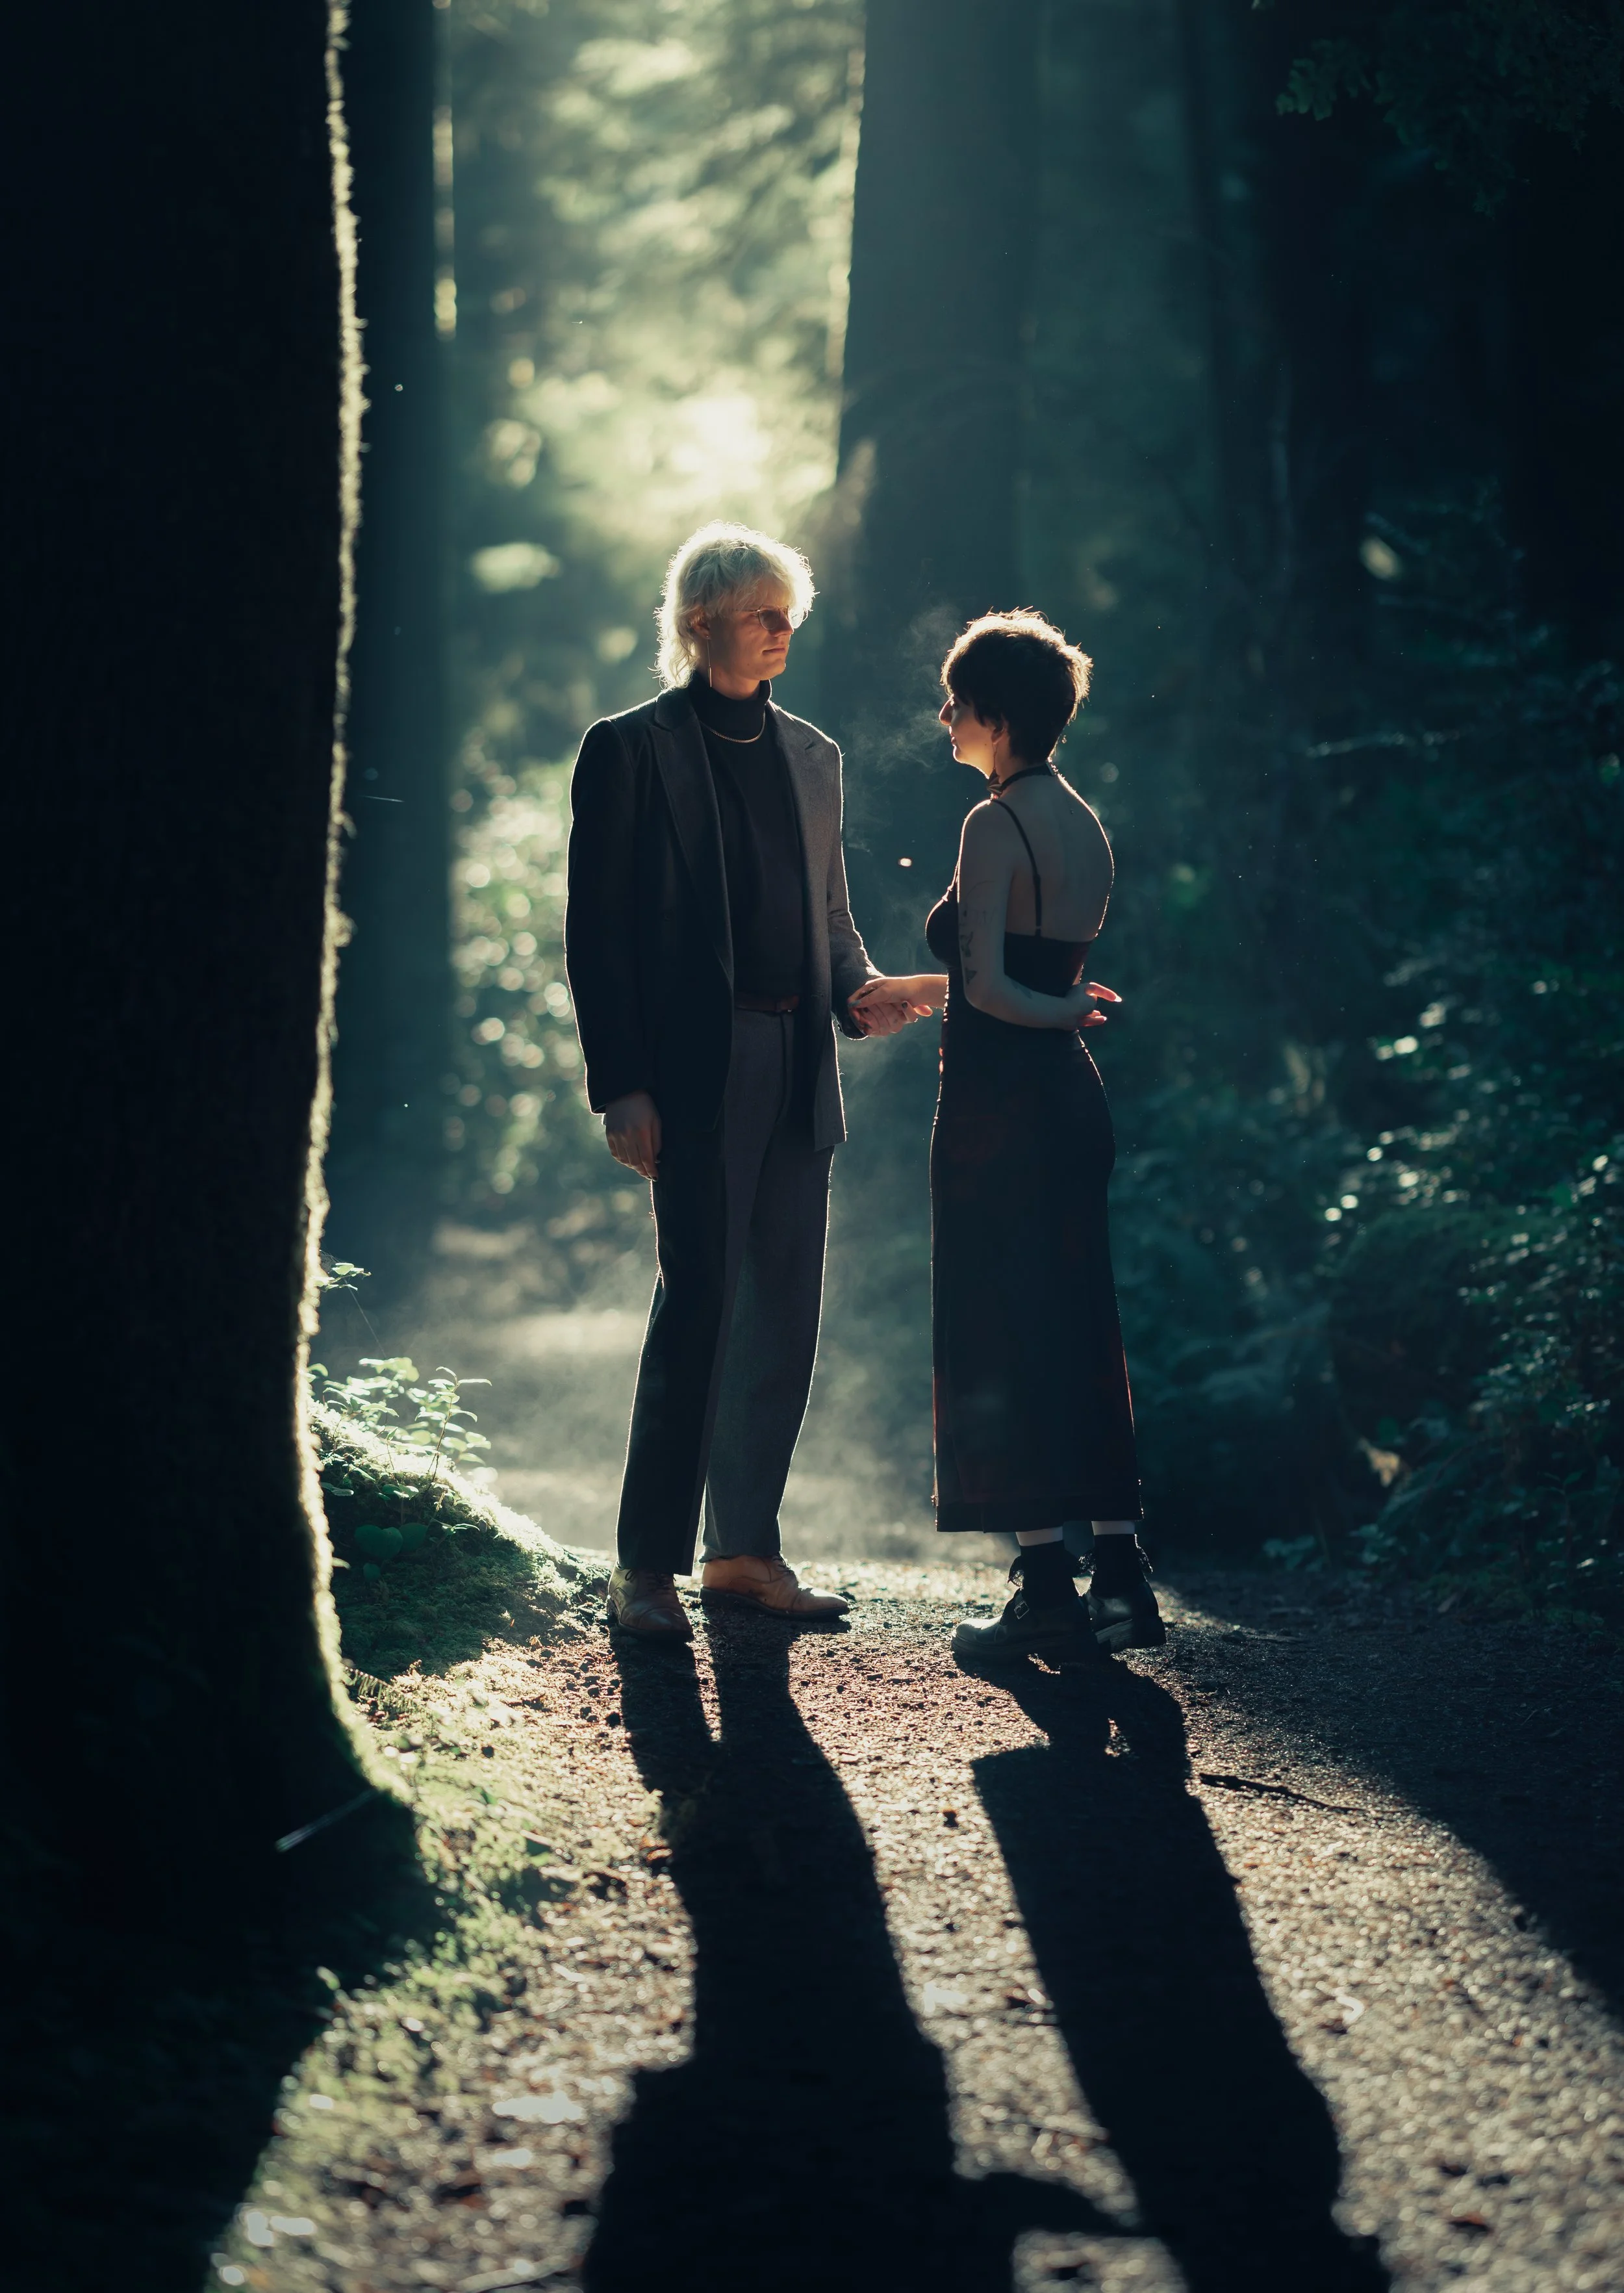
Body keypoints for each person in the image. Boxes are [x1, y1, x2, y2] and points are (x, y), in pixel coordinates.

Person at [566, 523, 909, 1639]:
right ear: (702, 617)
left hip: (799, 1057)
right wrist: (622, 1083)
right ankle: (644, 1569)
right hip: (690, 1073)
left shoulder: (814, 755)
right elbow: (598, 937)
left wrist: (864, 989)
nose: (783, 630)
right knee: (701, 1305)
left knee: (785, 1315)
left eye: (790, 613)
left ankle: (744, 1554)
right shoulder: (626, 750)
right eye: (766, 612)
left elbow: (831, 919)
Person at [852, 611, 1165, 1661]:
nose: (943, 715)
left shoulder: (993, 825)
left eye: (956, 699)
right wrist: (1052, 1007)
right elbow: (1024, 972)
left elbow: (991, 988)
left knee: (1000, 1323)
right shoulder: (1085, 823)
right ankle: (1120, 1577)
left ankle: (1043, 1586)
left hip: (1002, 1109)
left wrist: (1063, 1012)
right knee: (1080, 1321)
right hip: (1070, 1104)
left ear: (996, 714)